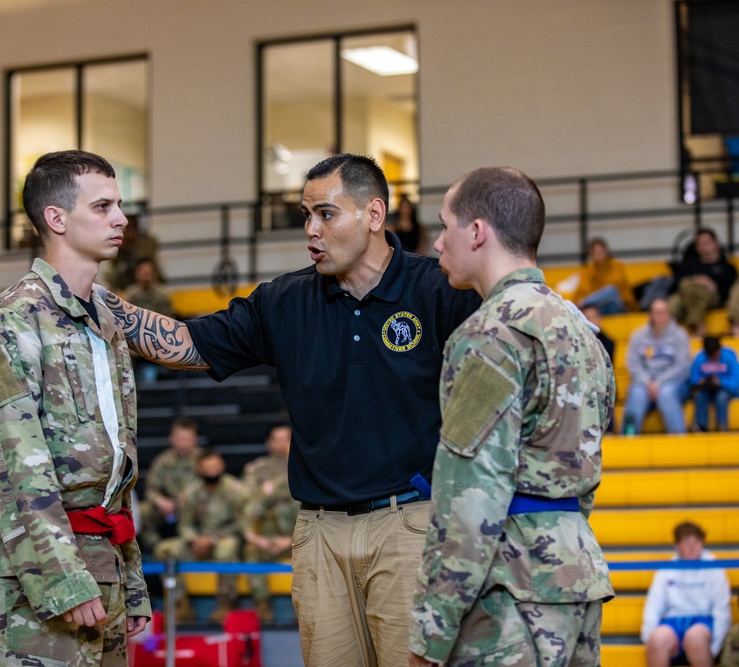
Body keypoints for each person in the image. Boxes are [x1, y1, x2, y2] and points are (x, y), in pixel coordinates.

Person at [104, 153, 481, 667]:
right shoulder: (285, 301)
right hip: (318, 533)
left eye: (326, 214)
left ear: (374, 215)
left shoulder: (440, 289)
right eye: (307, 216)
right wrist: (94, 299)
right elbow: (187, 343)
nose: (311, 229)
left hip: (411, 525)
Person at [408, 167, 614, 666]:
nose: (437, 243)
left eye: (444, 226)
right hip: (575, 578)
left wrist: (429, 637)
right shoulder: (581, 330)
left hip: (510, 597)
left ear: (477, 232)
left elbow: (471, 499)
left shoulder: (490, 334)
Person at [0, 149, 150, 666]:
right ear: (56, 218)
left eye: (119, 205)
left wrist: (129, 575)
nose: (121, 218)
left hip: (102, 568)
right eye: (103, 206)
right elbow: (16, 470)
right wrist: (63, 578)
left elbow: (114, 469)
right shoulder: (11, 320)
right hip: (37, 581)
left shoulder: (104, 324)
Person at [154, 449, 245, 623]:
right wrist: (194, 539)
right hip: (195, 544)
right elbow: (185, 524)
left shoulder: (236, 490)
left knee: (227, 549)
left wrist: (213, 539)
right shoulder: (191, 492)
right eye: (207, 468)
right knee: (165, 549)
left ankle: (225, 604)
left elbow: (241, 525)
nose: (211, 471)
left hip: (223, 541)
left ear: (222, 467)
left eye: (215, 467)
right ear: (199, 469)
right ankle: (181, 604)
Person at [641, 521, 731, 667]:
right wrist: (649, 639)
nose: (692, 546)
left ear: (702, 543)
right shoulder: (667, 569)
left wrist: (715, 648)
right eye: (686, 542)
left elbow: (722, 609)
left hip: (703, 621)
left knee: (695, 637)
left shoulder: (714, 567)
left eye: (696, 541)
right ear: (677, 545)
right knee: (657, 639)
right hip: (673, 621)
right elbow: (654, 604)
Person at [241, 423, 297, 623]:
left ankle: (304, 608)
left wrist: (290, 540)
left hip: (298, 535)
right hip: (265, 536)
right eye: (278, 439)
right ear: (268, 442)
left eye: (287, 438)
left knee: (313, 550)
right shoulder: (257, 469)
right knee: (251, 552)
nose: (282, 444)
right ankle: (262, 605)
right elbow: (247, 503)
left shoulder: (303, 467)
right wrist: (257, 539)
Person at [623, 298, 693, 435]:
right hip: (644, 382)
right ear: (650, 315)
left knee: (666, 393)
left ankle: (678, 438)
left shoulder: (680, 335)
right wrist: (647, 381)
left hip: (673, 381)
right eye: (657, 312)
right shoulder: (638, 336)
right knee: (636, 393)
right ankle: (627, 437)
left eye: (663, 312)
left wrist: (659, 382)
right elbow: (632, 363)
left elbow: (682, 365)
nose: (660, 316)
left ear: (669, 314)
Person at [140, 418, 202, 553]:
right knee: (143, 511)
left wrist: (183, 500)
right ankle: (154, 549)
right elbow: (151, 489)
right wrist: (160, 501)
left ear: (195, 439)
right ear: (171, 438)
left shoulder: (203, 460)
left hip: (194, 506)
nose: (184, 443)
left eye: (188, 439)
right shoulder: (162, 461)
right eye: (180, 438)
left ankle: (190, 546)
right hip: (167, 507)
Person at [669, 228, 738, 336]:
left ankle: (697, 327)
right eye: (700, 244)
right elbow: (673, 286)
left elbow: (732, 290)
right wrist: (694, 282)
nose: (704, 247)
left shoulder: (727, 268)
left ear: (715, 243)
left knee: (692, 288)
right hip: (685, 296)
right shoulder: (688, 266)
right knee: (673, 303)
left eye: (706, 243)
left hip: (714, 297)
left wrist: (713, 286)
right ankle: (667, 334)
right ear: (696, 247)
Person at [689, 336, 739, 433]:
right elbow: (693, 378)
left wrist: (721, 382)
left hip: (725, 389)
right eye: (710, 355)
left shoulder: (730, 356)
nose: (713, 357)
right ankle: (701, 426)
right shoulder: (699, 358)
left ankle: (722, 425)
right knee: (700, 395)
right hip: (706, 390)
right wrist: (699, 381)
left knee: (721, 397)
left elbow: (737, 381)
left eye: (715, 354)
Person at [572, 236, 637, 314]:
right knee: (597, 310)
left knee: (611, 291)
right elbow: (582, 290)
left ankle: (585, 302)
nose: (599, 254)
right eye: (596, 252)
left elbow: (617, 289)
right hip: (599, 307)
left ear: (606, 251)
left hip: (619, 305)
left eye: (601, 251)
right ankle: (586, 303)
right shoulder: (588, 271)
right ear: (591, 255)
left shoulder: (616, 266)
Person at [101, 213, 162, 291]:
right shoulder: (117, 245)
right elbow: (111, 275)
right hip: (123, 288)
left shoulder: (146, 243)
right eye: (128, 228)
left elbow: (152, 268)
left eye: (133, 227)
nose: (131, 233)